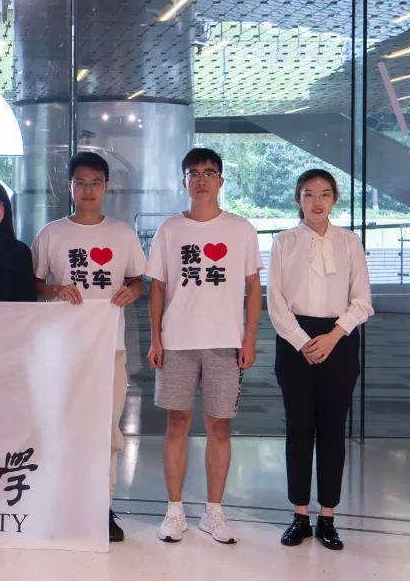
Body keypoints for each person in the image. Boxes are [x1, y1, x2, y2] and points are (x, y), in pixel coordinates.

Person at [145, 147, 262, 545]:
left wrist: (249, 338)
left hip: (225, 342)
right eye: (193, 173)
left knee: (219, 425)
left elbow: (253, 287)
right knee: (176, 423)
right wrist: (156, 338)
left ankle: (214, 511)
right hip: (177, 342)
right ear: (184, 181)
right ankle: (174, 511)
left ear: (221, 181)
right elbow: (157, 288)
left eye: (209, 173)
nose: (201, 179)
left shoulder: (241, 229)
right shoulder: (170, 230)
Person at [31, 151, 145, 542]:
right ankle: (59, 502)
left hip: (109, 347)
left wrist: (131, 291)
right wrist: (56, 289)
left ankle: (101, 505)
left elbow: (137, 279)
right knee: (61, 424)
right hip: (63, 350)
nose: (88, 190)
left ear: (106, 187)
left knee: (105, 428)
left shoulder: (122, 233)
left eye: (96, 182)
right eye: (80, 182)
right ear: (69, 187)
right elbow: (34, 284)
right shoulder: (52, 233)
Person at [268, 169, 372, 551]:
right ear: (298, 198)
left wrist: (332, 336)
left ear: (334, 199)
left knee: (332, 430)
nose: (316, 201)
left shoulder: (350, 242)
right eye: (308, 193)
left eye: (325, 194)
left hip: (339, 339)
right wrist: (302, 341)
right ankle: (299, 515)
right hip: (294, 341)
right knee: (298, 429)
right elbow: (275, 302)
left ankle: (327, 516)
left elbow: (362, 300)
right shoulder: (283, 241)